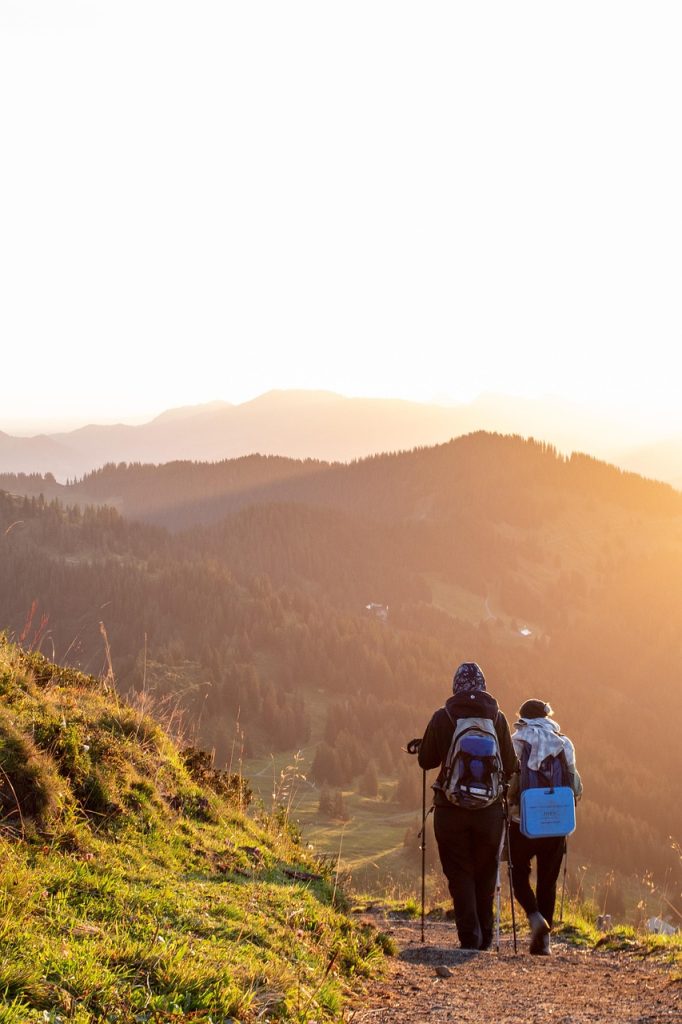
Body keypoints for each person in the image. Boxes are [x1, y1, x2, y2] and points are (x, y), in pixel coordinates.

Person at [418, 662, 517, 950]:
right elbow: (510, 765)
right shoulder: (497, 719)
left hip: (450, 811)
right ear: (483, 686)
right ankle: (485, 937)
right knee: (486, 871)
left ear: (455, 686)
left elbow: (426, 761)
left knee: (459, 871)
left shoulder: (444, 716)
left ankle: (469, 936)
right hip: (489, 813)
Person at [508, 698, 583, 955]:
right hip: (556, 823)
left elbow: (507, 784)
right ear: (547, 716)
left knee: (517, 874)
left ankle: (533, 915)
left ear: (523, 717)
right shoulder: (563, 743)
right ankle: (544, 944)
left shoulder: (516, 741)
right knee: (547, 882)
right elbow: (575, 786)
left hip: (523, 823)